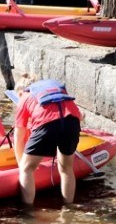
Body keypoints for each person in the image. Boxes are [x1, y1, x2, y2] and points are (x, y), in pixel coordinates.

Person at [14, 77, 82, 205]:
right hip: (72, 120)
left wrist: (21, 165)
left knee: (26, 169)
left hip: (47, 123)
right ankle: (68, 208)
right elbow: (78, 114)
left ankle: (28, 213)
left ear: (21, 92)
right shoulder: (56, 88)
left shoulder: (25, 96)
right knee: (66, 167)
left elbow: (19, 136)